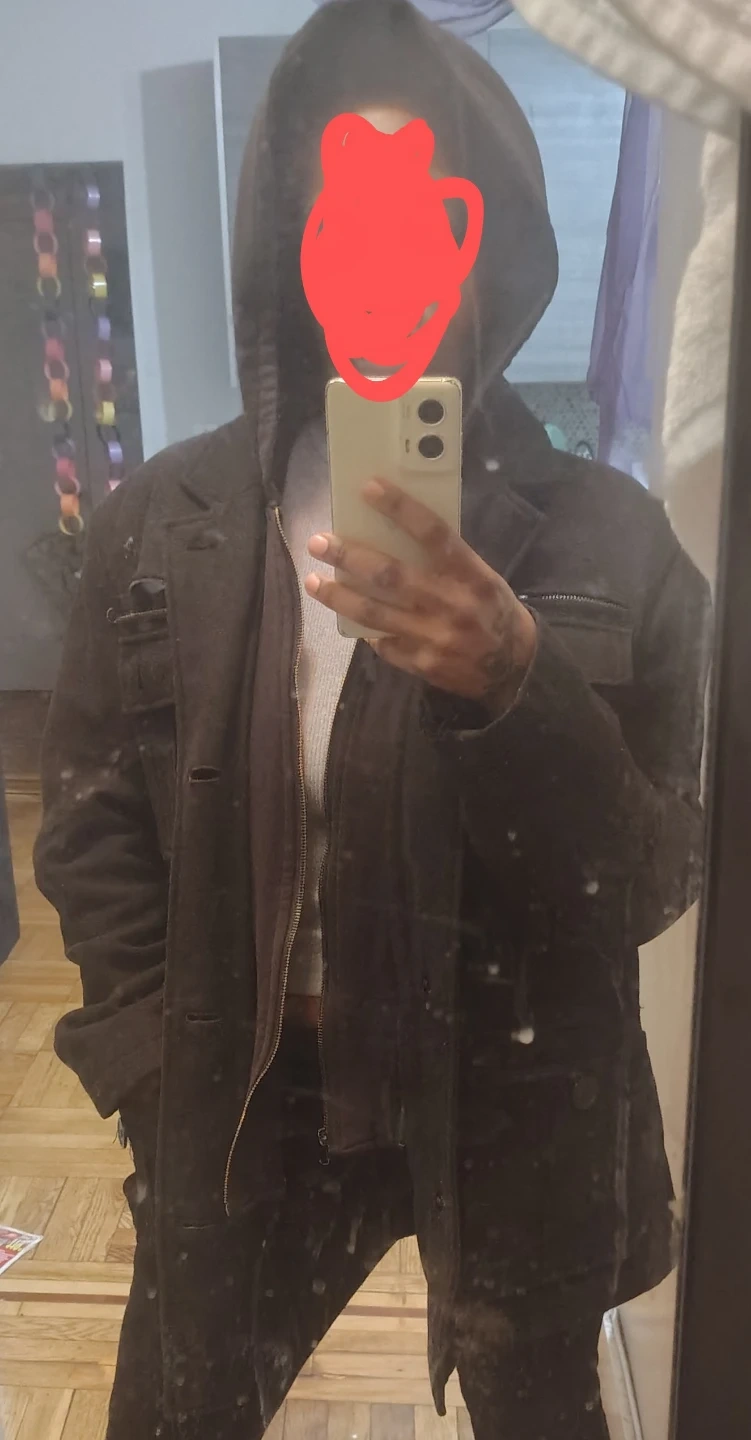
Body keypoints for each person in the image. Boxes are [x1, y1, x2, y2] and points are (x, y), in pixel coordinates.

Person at [34, 3, 711, 1438]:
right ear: (290, 246)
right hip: (248, 1093)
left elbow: (658, 869)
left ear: (487, 244)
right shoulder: (161, 524)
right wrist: (149, 1066)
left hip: (517, 1098)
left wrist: (517, 681)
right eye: (344, 223)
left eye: (425, 223)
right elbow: (91, 825)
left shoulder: (612, 542)